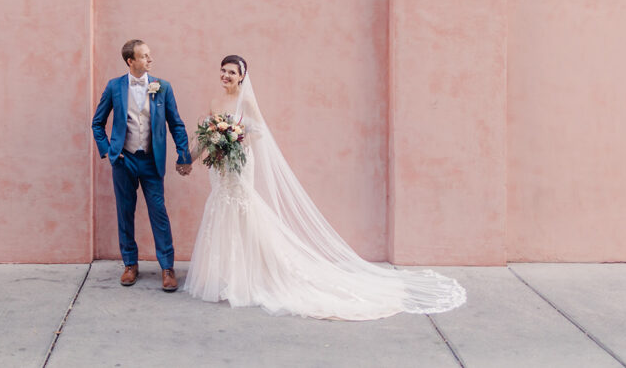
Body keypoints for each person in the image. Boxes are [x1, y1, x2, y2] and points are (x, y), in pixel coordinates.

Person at [184, 55, 466, 320]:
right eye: (223, 71)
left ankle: (254, 275)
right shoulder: (215, 101)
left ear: (242, 77)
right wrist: (188, 160)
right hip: (220, 168)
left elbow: (258, 134)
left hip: (240, 165)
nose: (225, 75)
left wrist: (233, 141)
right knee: (221, 210)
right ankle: (228, 277)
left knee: (243, 211)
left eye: (231, 72)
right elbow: (206, 135)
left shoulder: (246, 104)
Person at [92, 39, 192, 291]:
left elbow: (176, 124)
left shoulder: (162, 87)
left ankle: (167, 268)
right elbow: (97, 123)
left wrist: (183, 153)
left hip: (151, 161)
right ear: (130, 61)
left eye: (149, 55)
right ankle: (130, 264)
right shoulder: (114, 86)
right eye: (145, 56)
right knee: (125, 213)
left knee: (159, 214)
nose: (150, 59)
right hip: (124, 161)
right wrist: (109, 152)